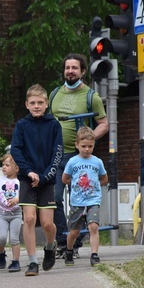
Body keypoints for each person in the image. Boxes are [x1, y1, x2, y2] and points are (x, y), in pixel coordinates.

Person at [48, 53, 108, 258]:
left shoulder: (92, 97)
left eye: (75, 68)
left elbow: (104, 125)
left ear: (83, 71)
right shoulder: (55, 94)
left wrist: (88, 140)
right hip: (56, 155)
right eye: (67, 68)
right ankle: (65, 242)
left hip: (79, 157)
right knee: (54, 197)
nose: (70, 71)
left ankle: (76, 240)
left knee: (83, 200)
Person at [10, 84, 63, 276]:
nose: (36, 106)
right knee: (30, 218)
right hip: (27, 178)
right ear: (26, 104)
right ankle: (32, 262)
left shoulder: (54, 125)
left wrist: (44, 176)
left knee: (48, 223)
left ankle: (50, 246)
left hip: (47, 179)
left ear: (46, 104)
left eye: (40, 102)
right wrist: (28, 171)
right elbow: (16, 149)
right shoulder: (22, 125)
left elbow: (58, 153)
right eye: (33, 103)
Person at [61, 126, 108, 267]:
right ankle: (69, 250)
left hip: (93, 200)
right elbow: (65, 179)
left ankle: (94, 255)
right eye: (83, 146)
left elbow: (104, 179)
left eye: (90, 146)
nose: (86, 149)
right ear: (77, 145)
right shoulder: (72, 162)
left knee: (93, 226)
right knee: (74, 231)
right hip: (77, 201)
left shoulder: (97, 162)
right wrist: (77, 184)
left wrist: (95, 185)